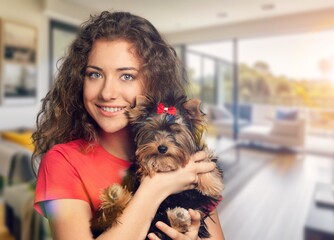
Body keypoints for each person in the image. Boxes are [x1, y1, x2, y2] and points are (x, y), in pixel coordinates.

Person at [32, 11, 224, 240]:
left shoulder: (184, 156)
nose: (107, 93)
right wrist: (157, 187)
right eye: (94, 74)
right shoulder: (61, 162)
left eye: (126, 76)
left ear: (153, 81)